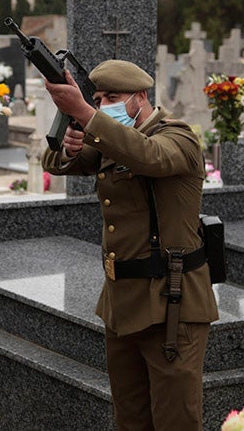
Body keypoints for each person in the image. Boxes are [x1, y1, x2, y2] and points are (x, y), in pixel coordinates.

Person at [40, 59, 218, 431]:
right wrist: (71, 145)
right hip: (122, 301)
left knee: (175, 419)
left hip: (170, 301)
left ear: (140, 97)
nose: (106, 104)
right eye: (100, 98)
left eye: (114, 97)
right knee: (130, 417)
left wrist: (86, 114)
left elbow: (148, 156)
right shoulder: (113, 138)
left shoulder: (178, 136)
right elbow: (57, 163)